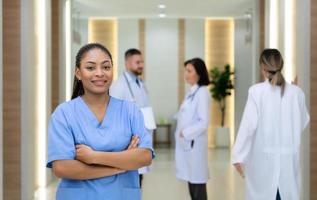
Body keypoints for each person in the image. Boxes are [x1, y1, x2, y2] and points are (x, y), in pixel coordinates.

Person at [46, 43, 154, 200]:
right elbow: (62, 168)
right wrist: (120, 165)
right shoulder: (64, 114)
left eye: (106, 67)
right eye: (90, 68)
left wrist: (93, 156)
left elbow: (144, 157)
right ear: (78, 73)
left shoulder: (130, 111)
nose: (99, 73)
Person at [232, 49, 310, 200]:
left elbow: (248, 127)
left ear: (262, 68)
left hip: (264, 164)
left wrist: (237, 156)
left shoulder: (256, 92)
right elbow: (302, 123)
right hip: (289, 163)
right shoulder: (297, 93)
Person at [110, 48, 156, 187]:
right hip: (128, 143)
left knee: (138, 181)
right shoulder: (119, 86)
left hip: (141, 140)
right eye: (137, 62)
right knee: (128, 184)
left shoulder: (140, 83)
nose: (141, 65)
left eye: (142, 62)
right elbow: (113, 116)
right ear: (127, 63)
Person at [174, 58, 211, 200]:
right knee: (192, 183)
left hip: (194, 144)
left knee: (198, 186)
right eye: (185, 71)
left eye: (189, 71)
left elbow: (204, 122)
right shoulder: (192, 93)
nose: (186, 74)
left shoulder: (202, 93)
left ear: (199, 73)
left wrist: (185, 133)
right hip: (188, 145)